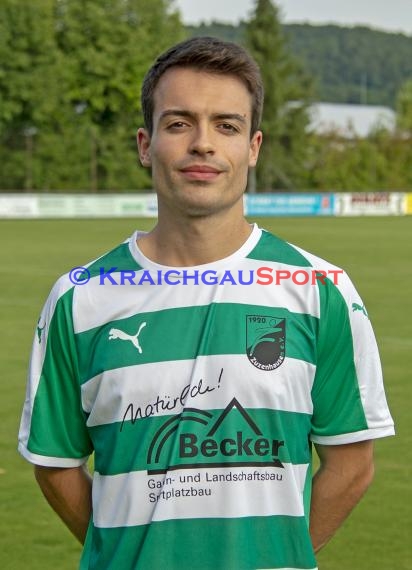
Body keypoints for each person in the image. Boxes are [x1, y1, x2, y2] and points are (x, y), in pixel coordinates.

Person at [18, 36, 394, 570]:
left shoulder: (320, 288)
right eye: (178, 123)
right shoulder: (79, 299)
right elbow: (55, 465)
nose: (203, 144)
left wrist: (274, 556)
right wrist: (128, 554)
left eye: (226, 125)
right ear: (146, 145)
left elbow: (352, 464)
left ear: (253, 147)